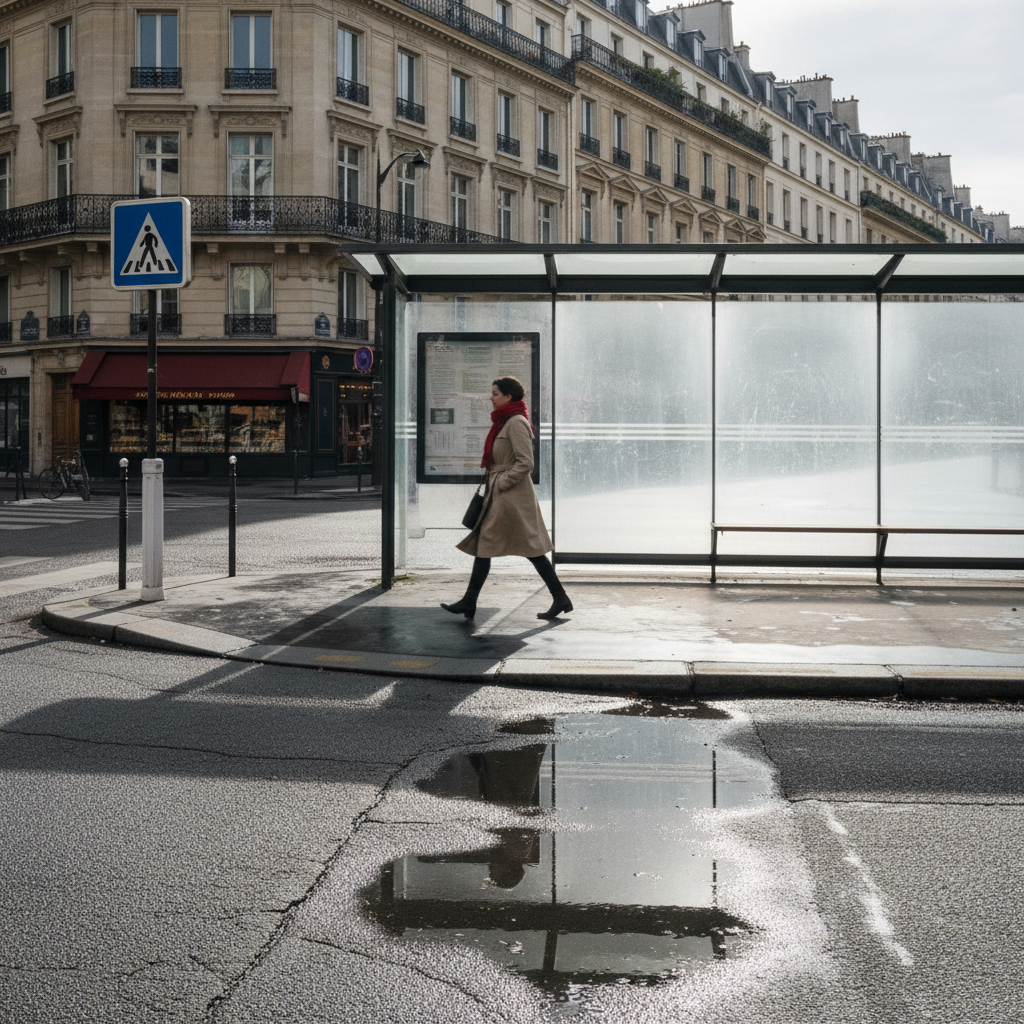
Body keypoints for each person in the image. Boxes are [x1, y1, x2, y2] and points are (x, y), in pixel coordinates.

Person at [441, 376, 572, 621]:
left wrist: (502, 482)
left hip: (511, 496)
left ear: (508, 397)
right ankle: (559, 597)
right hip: (502, 496)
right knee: (493, 546)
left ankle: (559, 597)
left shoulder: (516, 422)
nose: (491, 398)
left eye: (495, 393)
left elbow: (526, 463)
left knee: (521, 548)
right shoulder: (503, 421)